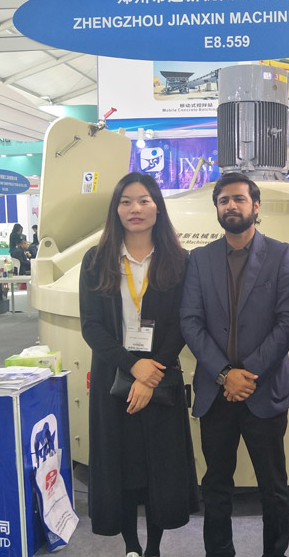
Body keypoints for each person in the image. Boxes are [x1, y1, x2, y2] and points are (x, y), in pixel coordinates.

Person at [180, 172, 289, 557]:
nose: (231, 205)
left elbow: (288, 322)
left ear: (255, 206)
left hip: (263, 390)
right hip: (216, 394)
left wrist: (246, 375)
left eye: (239, 199)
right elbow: (190, 322)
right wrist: (224, 374)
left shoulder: (281, 254)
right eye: (223, 200)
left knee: (274, 488)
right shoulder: (199, 259)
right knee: (216, 486)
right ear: (217, 208)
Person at [79, 172, 198, 557]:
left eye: (144, 200)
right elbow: (91, 326)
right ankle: (131, 546)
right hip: (113, 378)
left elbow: (183, 323)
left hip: (160, 377)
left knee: (159, 467)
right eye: (126, 201)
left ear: (158, 208)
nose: (136, 209)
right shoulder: (96, 260)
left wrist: (150, 374)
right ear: (116, 209)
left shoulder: (179, 261)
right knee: (122, 467)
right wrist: (134, 368)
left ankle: (155, 548)